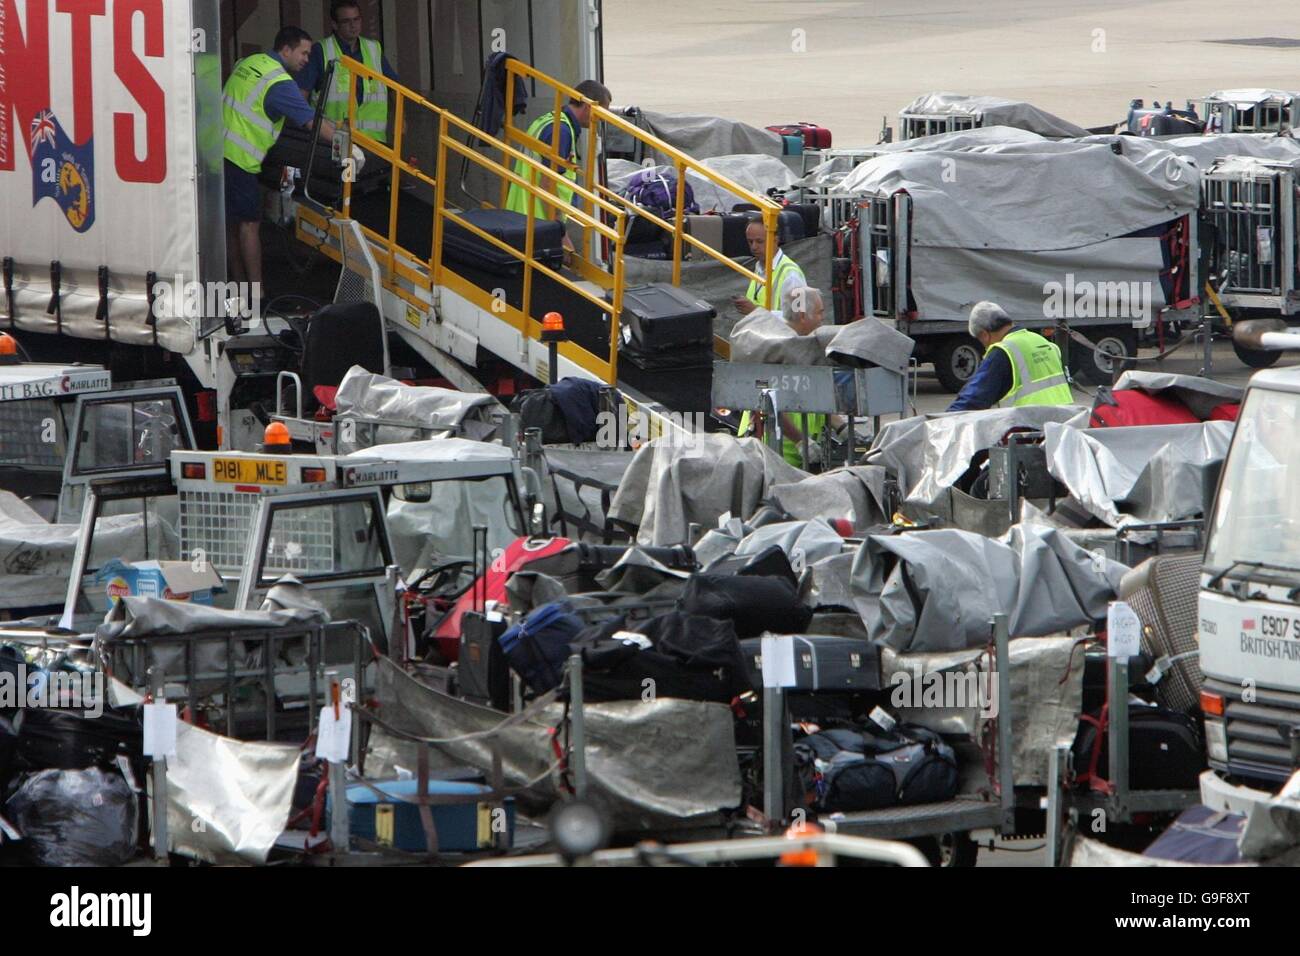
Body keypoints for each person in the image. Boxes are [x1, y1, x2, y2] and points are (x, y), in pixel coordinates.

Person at [223, 26, 344, 288]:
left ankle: (239, 285)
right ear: (285, 50)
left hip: (217, 152)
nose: (306, 60)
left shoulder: (249, 62)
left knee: (231, 225)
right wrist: (348, 146)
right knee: (249, 226)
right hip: (240, 159)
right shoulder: (279, 82)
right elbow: (312, 122)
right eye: (303, 53)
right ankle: (257, 293)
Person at [504, 79, 612, 255]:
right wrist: (560, 233)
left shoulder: (549, 120)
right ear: (588, 107)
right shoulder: (561, 131)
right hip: (536, 222)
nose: (598, 121)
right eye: (600, 114)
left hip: (521, 215)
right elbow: (547, 184)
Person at [738, 287, 836, 468]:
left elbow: (818, 392)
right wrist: (800, 441)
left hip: (800, 452)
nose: (823, 319)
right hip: (772, 451)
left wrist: (841, 426)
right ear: (803, 316)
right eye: (819, 313)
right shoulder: (774, 348)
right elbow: (766, 402)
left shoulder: (808, 347)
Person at [297, 1, 400, 144]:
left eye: (356, 19)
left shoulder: (373, 49)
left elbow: (395, 87)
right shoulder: (320, 51)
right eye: (346, 21)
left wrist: (401, 119)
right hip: (334, 143)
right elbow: (301, 97)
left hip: (374, 144)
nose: (353, 25)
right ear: (334, 24)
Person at [946, 301, 1073, 411]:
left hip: (1033, 429)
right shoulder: (1042, 341)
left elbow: (974, 398)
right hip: (1065, 424)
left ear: (984, 335)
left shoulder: (1003, 351)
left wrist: (944, 421)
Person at [732, 219, 806, 316]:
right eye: (750, 241)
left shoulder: (791, 275)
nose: (754, 247)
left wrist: (755, 312)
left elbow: (799, 317)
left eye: (759, 241)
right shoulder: (759, 267)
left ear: (775, 240)